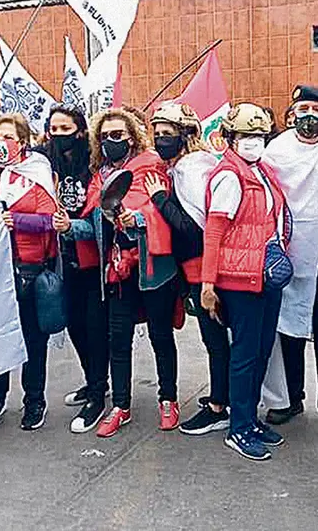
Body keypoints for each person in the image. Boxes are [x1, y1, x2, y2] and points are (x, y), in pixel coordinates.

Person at [64, 107, 179, 439]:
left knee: (160, 336)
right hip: (117, 271)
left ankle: (168, 399)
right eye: (105, 136)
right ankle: (121, 405)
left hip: (154, 269)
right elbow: (91, 226)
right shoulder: (99, 177)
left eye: (118, 134)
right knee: (118, 339)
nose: (112, 141)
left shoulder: (151, 165)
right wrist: (68, 227)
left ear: (132, 137)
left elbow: (158, 206)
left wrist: (138, 219)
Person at [262, 84, 318, 440]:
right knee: (287, 327)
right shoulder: (276, 151)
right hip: (286, 248)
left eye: (317, 110)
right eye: (303, 109)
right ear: (291, 115)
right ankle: (288, 398)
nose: (310, 116)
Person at [200, 103, 290, 461]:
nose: (253, 141)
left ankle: (250, 419)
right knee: (245, 355)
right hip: (238, 279)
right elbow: (214, 231)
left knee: (261, 351)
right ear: (231, 138)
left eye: (258, 135)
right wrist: (208, 285)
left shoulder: (263, 171)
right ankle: (238, 428)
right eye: (246, 136)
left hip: (265, 275)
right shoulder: (229, 176)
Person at [0, 113, 61, 432]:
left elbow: (51, 220)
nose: (0, 143)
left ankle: (34, 401)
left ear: (22, 141)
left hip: (30, 267)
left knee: (33, 339)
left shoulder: (37, 171)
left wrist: (16, 222)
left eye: (8, 136)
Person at [144, 102, 229, 436]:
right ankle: (223, 395)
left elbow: (196, 228)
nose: (162, 139)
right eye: (158, 134)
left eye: (169, 133)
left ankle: (220, 405)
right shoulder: (188, 165)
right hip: (196, 268)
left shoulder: (192, 169)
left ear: (187, 135)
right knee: (217, 338)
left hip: (204, 269)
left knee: (215, 338)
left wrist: (161, 199)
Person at [42, 104, 110, 435]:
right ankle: (92, 381)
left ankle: (98, 395)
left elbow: (98, 220)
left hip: (92, 261)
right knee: (74, 326)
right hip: (62, 258)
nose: (58, 136)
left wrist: (72, 227)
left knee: (94, 328)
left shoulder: (96, 164)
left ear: (80, 131)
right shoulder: (49, 163)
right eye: (53, 130)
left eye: (65, 130)